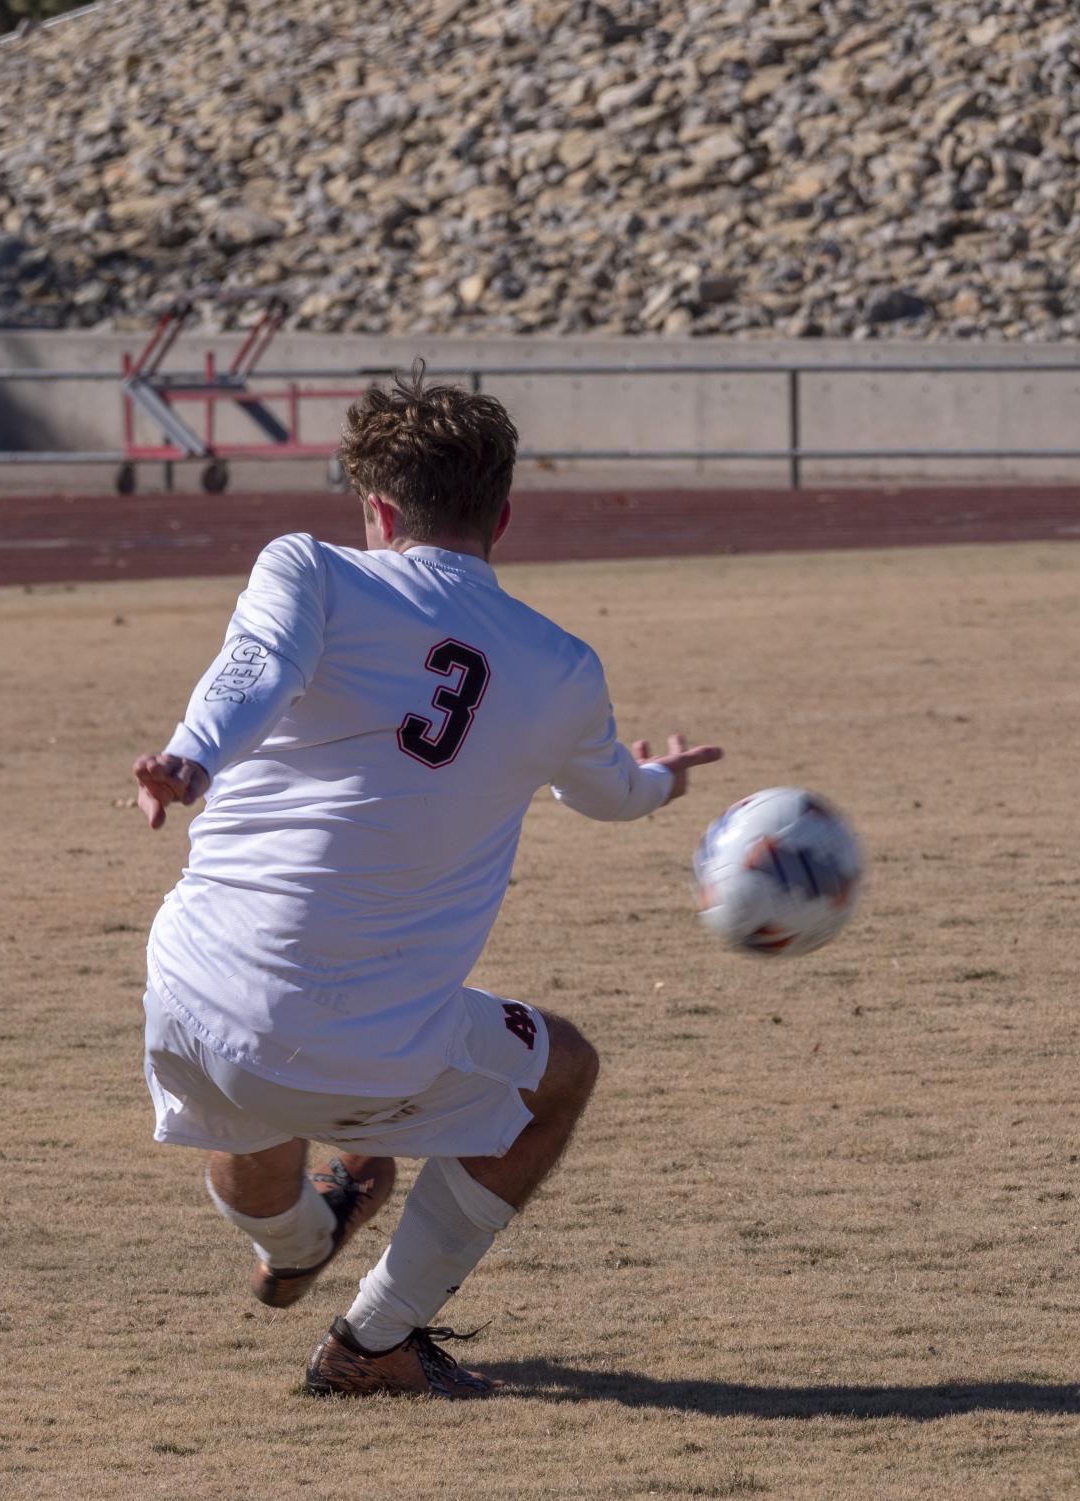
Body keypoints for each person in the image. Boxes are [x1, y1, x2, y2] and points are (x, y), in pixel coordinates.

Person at [131, 366, 722, 1400]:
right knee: (562, 1072)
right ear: (502, 514)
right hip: (359, 1042)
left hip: (188, 1002)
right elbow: (615, 798)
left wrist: (191, 756)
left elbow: (255, 664)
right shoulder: (562, 665)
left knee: (256, 1108)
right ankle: (374, 1343)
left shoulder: (310, 568)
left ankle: (295, 1237)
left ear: (378, 508)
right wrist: (663, 779)